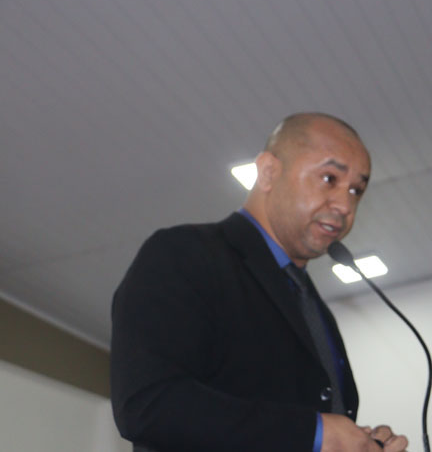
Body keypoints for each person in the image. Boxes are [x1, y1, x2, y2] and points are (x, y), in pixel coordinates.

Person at [110, 113, 408, 452]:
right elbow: (148, 403)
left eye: (356, 190)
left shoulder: (314, 310)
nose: (345, 205)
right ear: (268, 172)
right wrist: (314, 433)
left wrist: (361, 445)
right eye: (329, 178)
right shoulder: (184, 254)